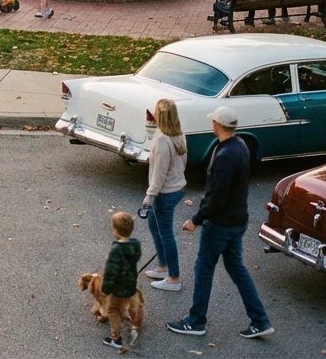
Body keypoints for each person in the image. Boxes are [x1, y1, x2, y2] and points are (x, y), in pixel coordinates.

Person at [168, 106, 273, 340]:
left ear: (217, 125)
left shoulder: (224, 155)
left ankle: (196, 320)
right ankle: (260, 320)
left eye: (213, 122)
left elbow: (218, 196)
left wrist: (196, 220)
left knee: (203, 269)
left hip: (220, 224)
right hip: (238, 220)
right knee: (237, 268)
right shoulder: (240, 146)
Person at [142, 98, 188, 292]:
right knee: (154, 225)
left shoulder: (162, 139)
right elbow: (183, 162)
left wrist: (149, 197)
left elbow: (159, 173)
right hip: (178, 187)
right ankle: (162, 266)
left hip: (165, 192)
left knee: (166, 234)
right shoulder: (179, 134)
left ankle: (174, 278)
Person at [100, 211, 142, 350]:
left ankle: (116, 338)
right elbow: (135, 258)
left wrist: (105, 290)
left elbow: (110, 272)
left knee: (113, 310)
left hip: (118, 288)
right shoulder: (135, 245)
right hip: (131, 283)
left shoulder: (116, 249)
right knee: (131, 304)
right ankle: (135, 325)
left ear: (115, 230)